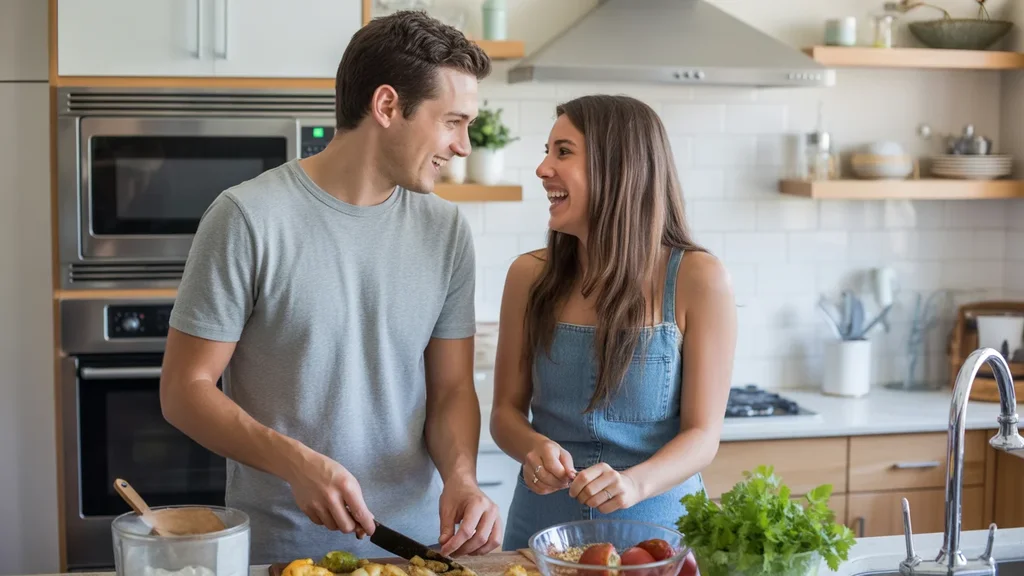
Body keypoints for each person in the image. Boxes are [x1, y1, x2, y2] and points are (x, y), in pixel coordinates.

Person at [160, 10, 502, 564]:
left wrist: (461, 477)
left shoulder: (445, 230)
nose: (463, 146)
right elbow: (184, 390)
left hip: (415, 548)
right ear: (387, 106)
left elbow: (452, 390)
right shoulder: (247, 217)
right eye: (452, 121)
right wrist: (296, 462)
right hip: (287, 551)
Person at [489, 94, 738, 549]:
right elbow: (505, 413)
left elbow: (703, 435)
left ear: (618, 167)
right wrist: (533, 449)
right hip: (542, 532)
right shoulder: (528, 276)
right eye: (546, 152)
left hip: (656, 533)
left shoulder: (698, 278)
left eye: (562, 152)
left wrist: (636, 484)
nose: (544, 169)